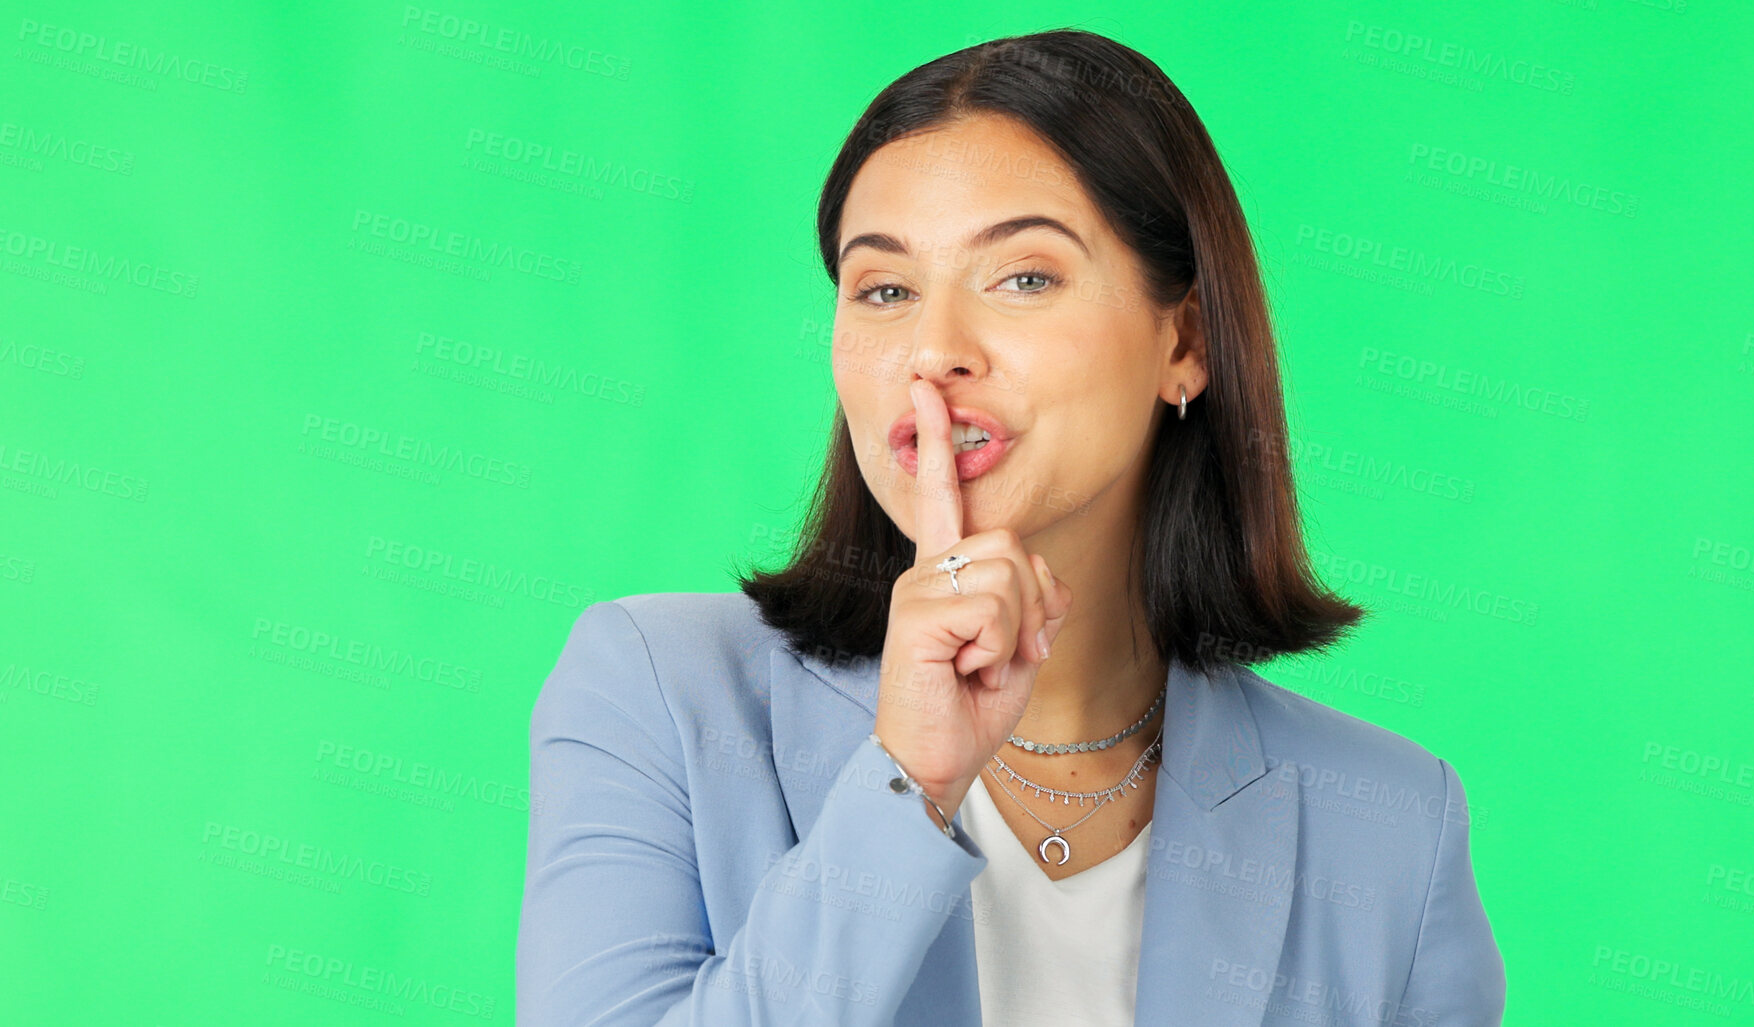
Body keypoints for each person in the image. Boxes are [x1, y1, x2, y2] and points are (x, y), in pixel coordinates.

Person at [517, 28, 1505, 1027]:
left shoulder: (1390, 825)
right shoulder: (657, 692)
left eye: (1023, 277)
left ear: (1187, 342)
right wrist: (908, 779)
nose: (932, 351)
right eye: (886, 289)